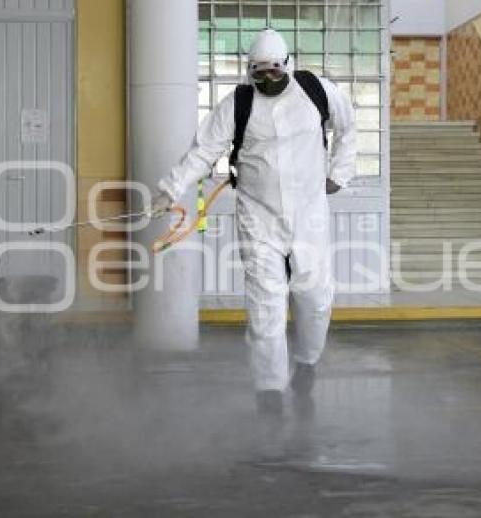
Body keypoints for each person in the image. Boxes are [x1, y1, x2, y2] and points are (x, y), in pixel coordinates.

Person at [152, 29, 357, 415]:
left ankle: (307, 361)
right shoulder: (237, 105)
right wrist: (170, 189)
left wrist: (339, 174)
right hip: (258, 218)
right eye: (259, 73)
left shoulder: (316, 91)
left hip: (309, 216)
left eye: (274, 73)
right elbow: (203, 153)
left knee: (314, 298)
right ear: (250, 72)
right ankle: (270, 394)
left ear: (289, 66)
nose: (267, 80)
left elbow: (348, 127)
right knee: (266, 308)